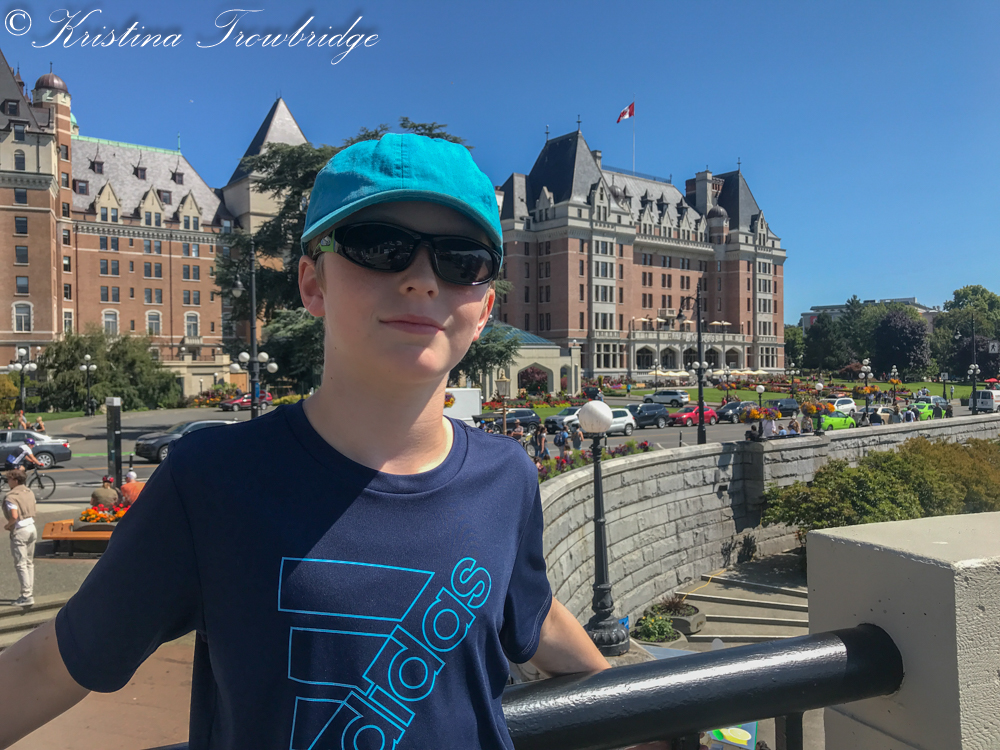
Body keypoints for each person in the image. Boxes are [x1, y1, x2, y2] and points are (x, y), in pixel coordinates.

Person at [0, 133, 675, 750]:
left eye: (461, 259)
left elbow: (527, 614)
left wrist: (650, 720)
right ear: (312, 282)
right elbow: (58, 661)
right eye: (378, 246)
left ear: (485, 308)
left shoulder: (507, 475)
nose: (422, 278)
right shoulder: (212, 480)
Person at [3, 469, 36, 607]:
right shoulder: (29, 492)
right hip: (32, 527)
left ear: (15, 481)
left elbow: (14, 516)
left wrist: (8, 525)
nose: (8, 482)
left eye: (9, 479)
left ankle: (26, 595)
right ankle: (29, 592)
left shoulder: (11, 497)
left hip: (20, 530)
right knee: (29, 562)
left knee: (21, 564)